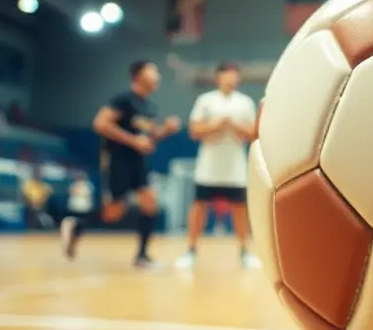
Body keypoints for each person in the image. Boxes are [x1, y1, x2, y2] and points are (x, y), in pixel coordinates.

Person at [61, 61, 180, 267]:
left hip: (138, 161)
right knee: (115, 211)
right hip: (118, 159)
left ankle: (142, 256)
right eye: (153, 71)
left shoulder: (149, 107)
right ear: (138, 75)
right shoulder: (123, 100)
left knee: (150, 203)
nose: (157, 76)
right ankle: (77, 225)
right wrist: (134, 141)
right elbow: (100, 123)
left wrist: (166, 131)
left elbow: (148, 139)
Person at [176, 63, 260, 270]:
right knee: (199, 206)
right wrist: (215, 125)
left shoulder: (245, 102)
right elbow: (194, 130)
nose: (231, 78)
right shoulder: (205, 101)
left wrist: (232, 125)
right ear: (218, 77)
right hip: (209, 166)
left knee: (240, 208)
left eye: (234, 75)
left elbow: (252, 134)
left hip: (235, 167)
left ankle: (244, 252)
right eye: (227, 75)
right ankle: (191, 251)